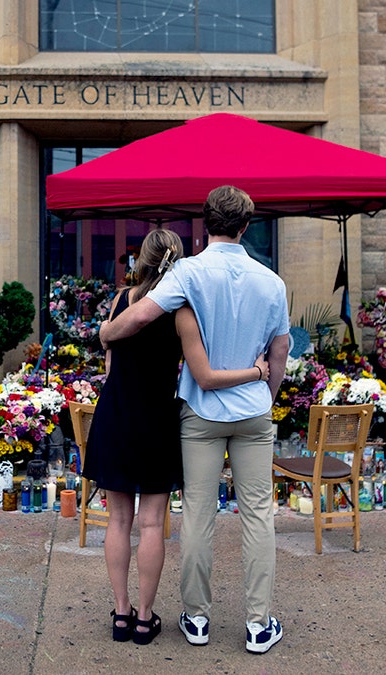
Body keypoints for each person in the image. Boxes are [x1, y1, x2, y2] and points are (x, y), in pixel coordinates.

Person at [100, 185, 290, 655]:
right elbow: (281, 350)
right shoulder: (272, 281)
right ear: (246, 226)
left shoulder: (187, 272)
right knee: (258, 516)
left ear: (206, 224)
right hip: (252, 410)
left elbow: (137, 317)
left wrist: (105, 331)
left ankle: (197, 619)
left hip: (201, 414)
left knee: (198, 517)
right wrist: (264, 394)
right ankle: (258, 624)